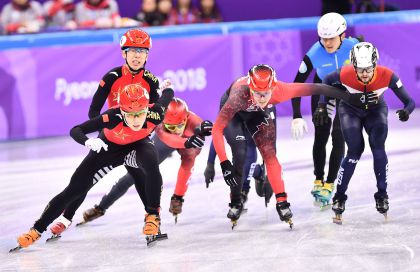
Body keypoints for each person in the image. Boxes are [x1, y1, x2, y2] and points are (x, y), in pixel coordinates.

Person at [12, 83, 174, 251]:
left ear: (147, 110)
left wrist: (167, 87)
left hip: (137, 147)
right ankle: (36, 230)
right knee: (74, 190)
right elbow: (77, 129)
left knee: (151, 162)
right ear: (122, 110)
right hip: (107, 150)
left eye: (139, 114)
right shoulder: (112, 115)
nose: (135, 120)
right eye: (130, 115)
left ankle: (153, 216)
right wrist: (87, 141)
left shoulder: (156, 113)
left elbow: (166, 96)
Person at [212, 64, 375, 229]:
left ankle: (282, 201)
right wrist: (224, 163)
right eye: (257, 94)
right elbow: (217, 129)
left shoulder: (281, 90)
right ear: (250, 89)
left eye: (266, 94)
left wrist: (350, 98)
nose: (262, 98)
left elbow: (318, 88)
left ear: (273, 88)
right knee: (239, 152)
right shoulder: (238, 95)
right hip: (235, 113)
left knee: (269, 153)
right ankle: (235, 201)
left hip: (257, 114)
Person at [44, 28, 161, 238]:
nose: (136, 55)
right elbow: (93, 111)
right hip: (111, 135)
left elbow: (153, 113)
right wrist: (104, 131)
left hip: (135, 136)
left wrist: (143, 132)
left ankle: (152, 219)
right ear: (123, 53)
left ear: (147, 55)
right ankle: (65, 218)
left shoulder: (152, 81)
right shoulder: (112, 76)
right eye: (132, 50)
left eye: (142, 51)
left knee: (140, 174)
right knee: (87, 180)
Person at [314, 42, 415, 224]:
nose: (365, 74)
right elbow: (326, 82)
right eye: (360, 70)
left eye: (368, 69)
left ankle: (382, 193)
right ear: (354, 67)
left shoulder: (388, 75)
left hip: (375, 112)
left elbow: (409, 101)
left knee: (378, 147)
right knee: (354, 150)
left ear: (375, 65)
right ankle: (339, 196)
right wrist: (321, 105)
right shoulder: (345, 73)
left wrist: (406, 111)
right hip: (350, 110)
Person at [80, 98, 213, 224]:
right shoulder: (159, 123)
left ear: (186, 118)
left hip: (189, 141)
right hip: (171, 142)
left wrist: (204, 129)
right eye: (170, 127)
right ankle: (101, 207)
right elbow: (169, 138)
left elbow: (201, 128)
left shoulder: (193, 121)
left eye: (178, 126)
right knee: (133, 175)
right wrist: (185, 141)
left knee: (189, 160)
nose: (175, 131)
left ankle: (178, 198)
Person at [290, 12, 361, 207]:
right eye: (323, 38)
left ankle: (329, 184)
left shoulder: (355, 47)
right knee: (320, 136)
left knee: (339, 136)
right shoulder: (313, 54)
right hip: (323, 91)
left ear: (343, 35)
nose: (327, 43)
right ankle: (318, 179)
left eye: (331, 38)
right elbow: (296, 85)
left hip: (346, 93)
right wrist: (296, 115)